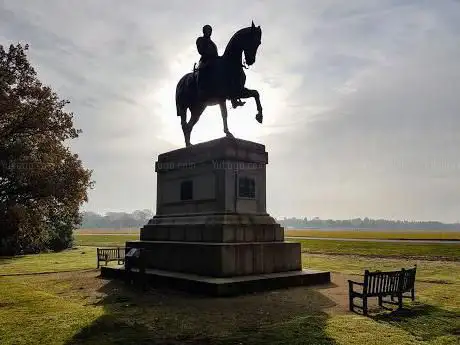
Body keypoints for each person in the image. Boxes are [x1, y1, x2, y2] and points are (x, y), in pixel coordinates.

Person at [196, 25, 245, 108]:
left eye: (210, 30)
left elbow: (215, 54)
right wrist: (211, 57)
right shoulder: (200, 40)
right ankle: (201, 90)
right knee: (203, 72)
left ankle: (233, 98)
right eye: (207, 30)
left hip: (214, 61)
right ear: (204, 31)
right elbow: (201, 51)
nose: (209, 32)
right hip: (205, 61)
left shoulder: (213, 44)